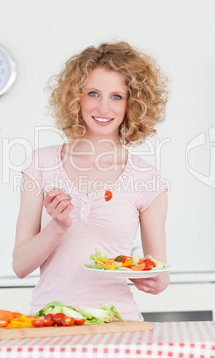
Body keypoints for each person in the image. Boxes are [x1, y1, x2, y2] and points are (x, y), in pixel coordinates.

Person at [12, 41, 169, 321]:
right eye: (93, 93)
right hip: (52, 322)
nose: (103, 107)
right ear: (76, 97)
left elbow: (158, 270)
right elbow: (20, 265)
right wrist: (57, 228)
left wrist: (156, 281)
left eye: (117, 96)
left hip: (118, 324)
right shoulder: (39, 164)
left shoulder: (148, 179)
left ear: (133, 103)